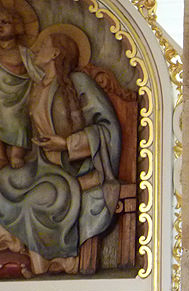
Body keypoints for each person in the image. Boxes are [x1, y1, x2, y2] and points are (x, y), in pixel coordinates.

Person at [0, 26, 121, 276]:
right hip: (43, 164)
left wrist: (67, 144)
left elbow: (107, 129)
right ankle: (20, 250)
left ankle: (51, 264)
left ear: (55, 53)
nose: (36, 50)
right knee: (3, 182)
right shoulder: (36, 87)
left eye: (43, 46)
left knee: (38, 199)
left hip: (77, 167)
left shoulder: (79, 83)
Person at [0, 6, 32, 169]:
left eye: (4, 22)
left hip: (19, 99)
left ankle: (16, 154)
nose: (0, 26)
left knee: (19, 121)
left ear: (17, 25)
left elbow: (38, 73)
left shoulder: (24, 53)